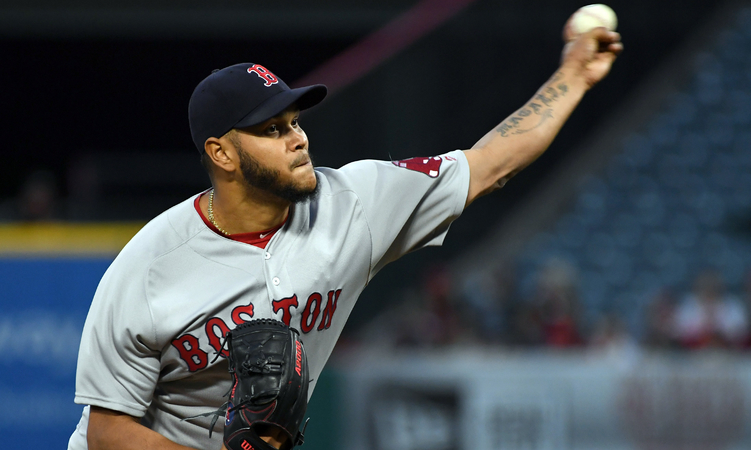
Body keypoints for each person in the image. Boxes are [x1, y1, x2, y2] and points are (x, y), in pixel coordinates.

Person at [68, 24, 622, 450]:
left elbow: (491, 164)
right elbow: (107, 432)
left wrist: (574, 74)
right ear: (221, 154)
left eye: (293, 122)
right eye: (271, 130)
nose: (297, 139)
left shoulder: (355, 203)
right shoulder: (149, 266)